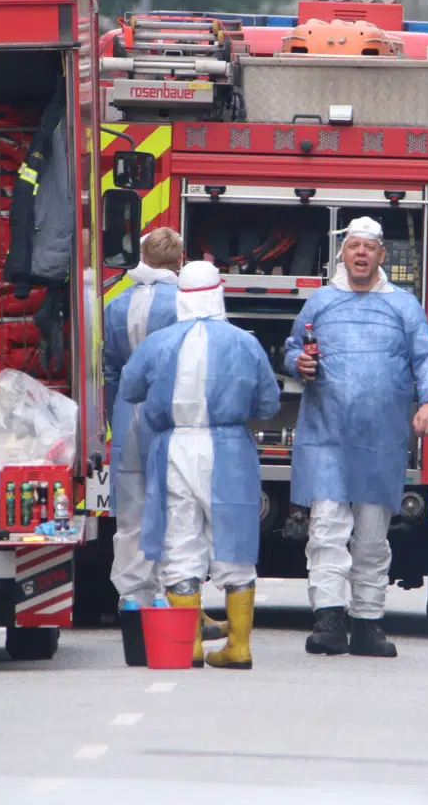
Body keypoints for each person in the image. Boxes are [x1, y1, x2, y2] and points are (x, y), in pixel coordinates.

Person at [284, 217, 428, 658]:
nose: (359, 254)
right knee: (327, 531)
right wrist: (298, 361)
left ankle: (369, 622)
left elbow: (426, 356)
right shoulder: (320, 303)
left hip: (380, 439)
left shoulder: (403, 307)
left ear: (380, 255)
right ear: (343, 253)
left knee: (372, 536)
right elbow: (292, 346)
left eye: (368, 248)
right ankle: (329, 619)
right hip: (327, 437)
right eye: (353, 246)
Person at [120, 261, 281, 669]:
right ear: (218, 292)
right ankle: (238, 646)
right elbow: (268, 404)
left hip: (173, 447)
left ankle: (187, 644)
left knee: (179, 540)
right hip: (229, 449)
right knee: (235, 544)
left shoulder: (159, 342)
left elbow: (129, 387)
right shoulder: (245, 343)